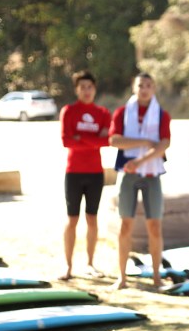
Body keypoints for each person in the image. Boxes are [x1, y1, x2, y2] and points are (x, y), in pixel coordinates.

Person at [109, 72, 171, 290]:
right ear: (134, 88)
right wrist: (144, 141)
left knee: (154, 225)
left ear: (154, 89)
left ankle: (156, 277)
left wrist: (140, 159)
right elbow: (115, 140)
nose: (144, 89)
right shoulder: (122, 113)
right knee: (125, 224)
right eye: (140, 85)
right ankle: (122, 277)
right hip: (127, 173)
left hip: (152, 173)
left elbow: (163, 144)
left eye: (148, 85)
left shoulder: (161, 115)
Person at [60, 70, 111, 280]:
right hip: (73, 172)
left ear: (95, 89)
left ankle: (90, 264)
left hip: (95, 173)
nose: (86, 91)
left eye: (90, 87)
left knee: (92, 218)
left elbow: (106, 141)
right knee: (72, 219)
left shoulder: (103, 113)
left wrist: (80, 137)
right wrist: (91, 138)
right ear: (76, 89)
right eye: (82, 87)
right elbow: (66, 141)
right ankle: (68, 266)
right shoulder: (69, 111)